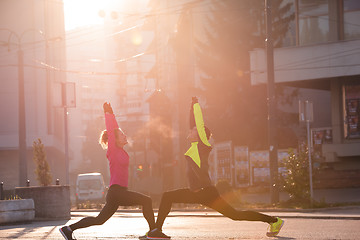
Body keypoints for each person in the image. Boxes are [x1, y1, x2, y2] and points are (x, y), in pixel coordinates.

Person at [146, 97, 284, 239]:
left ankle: (274, 221)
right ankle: (156, 231)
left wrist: (195, 105)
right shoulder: (194, 147)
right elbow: (192, 124)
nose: (191, 130)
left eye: (194, 130)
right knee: (167, 196)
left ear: (200, 135)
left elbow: (198, 123)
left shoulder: (203, 146)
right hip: (196, 192)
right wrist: (190, 108)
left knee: (235, 215)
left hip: (206, 192)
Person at [60, 102, 156, 240]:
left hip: (116, 193)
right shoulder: (113, 150)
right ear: (114, 140)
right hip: (117, 192)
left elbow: (115, 129)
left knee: (99, 220)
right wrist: (108, 114)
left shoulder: (121, 151)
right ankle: (153, 232)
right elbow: (112, 130)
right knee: (147, 201)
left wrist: (112, 114)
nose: (125, 135)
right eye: (122, 134)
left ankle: (68, 229)